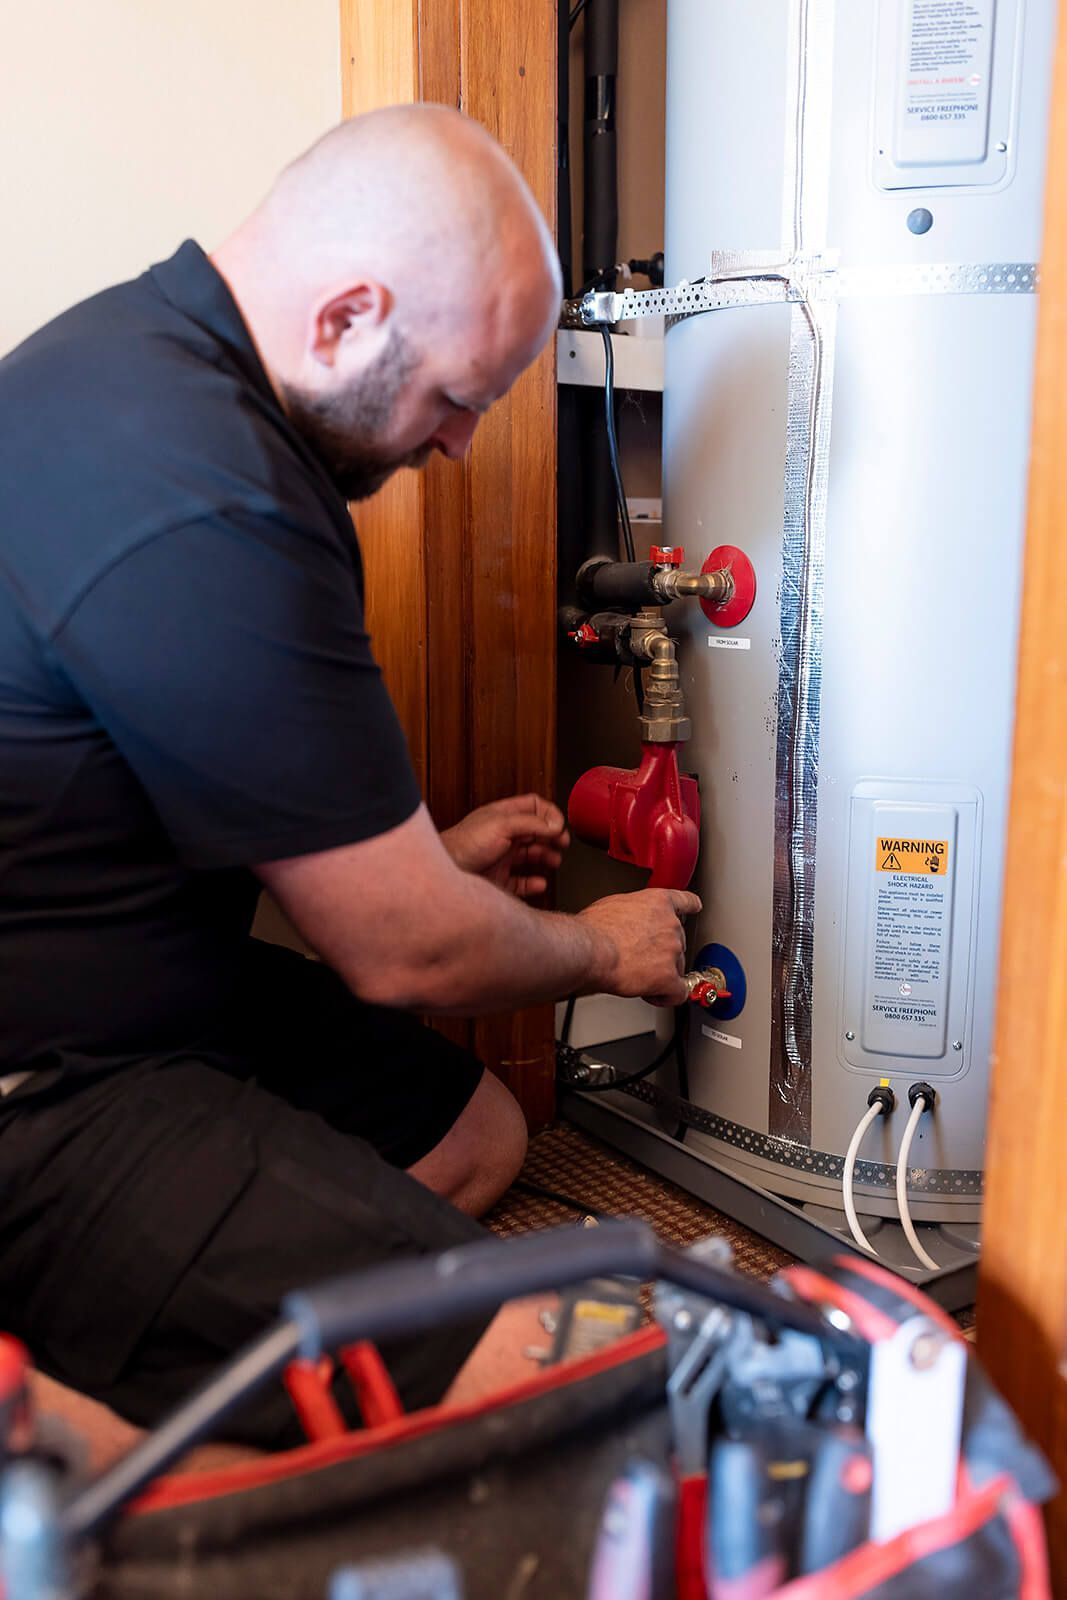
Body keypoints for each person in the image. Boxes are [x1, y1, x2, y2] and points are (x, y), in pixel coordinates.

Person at [0, 104, 698, 1461]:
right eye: (455, 400)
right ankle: (79, 1413)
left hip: (131, 975)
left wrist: (414, 856)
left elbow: (184, 793)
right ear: (348, 316)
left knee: (481, 1139)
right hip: (46, 1085)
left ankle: (201, 1326)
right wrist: (598, 949)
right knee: (565, 1371)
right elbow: (410, 957)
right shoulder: (201, 491)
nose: (454, 449)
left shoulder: (144, 360)